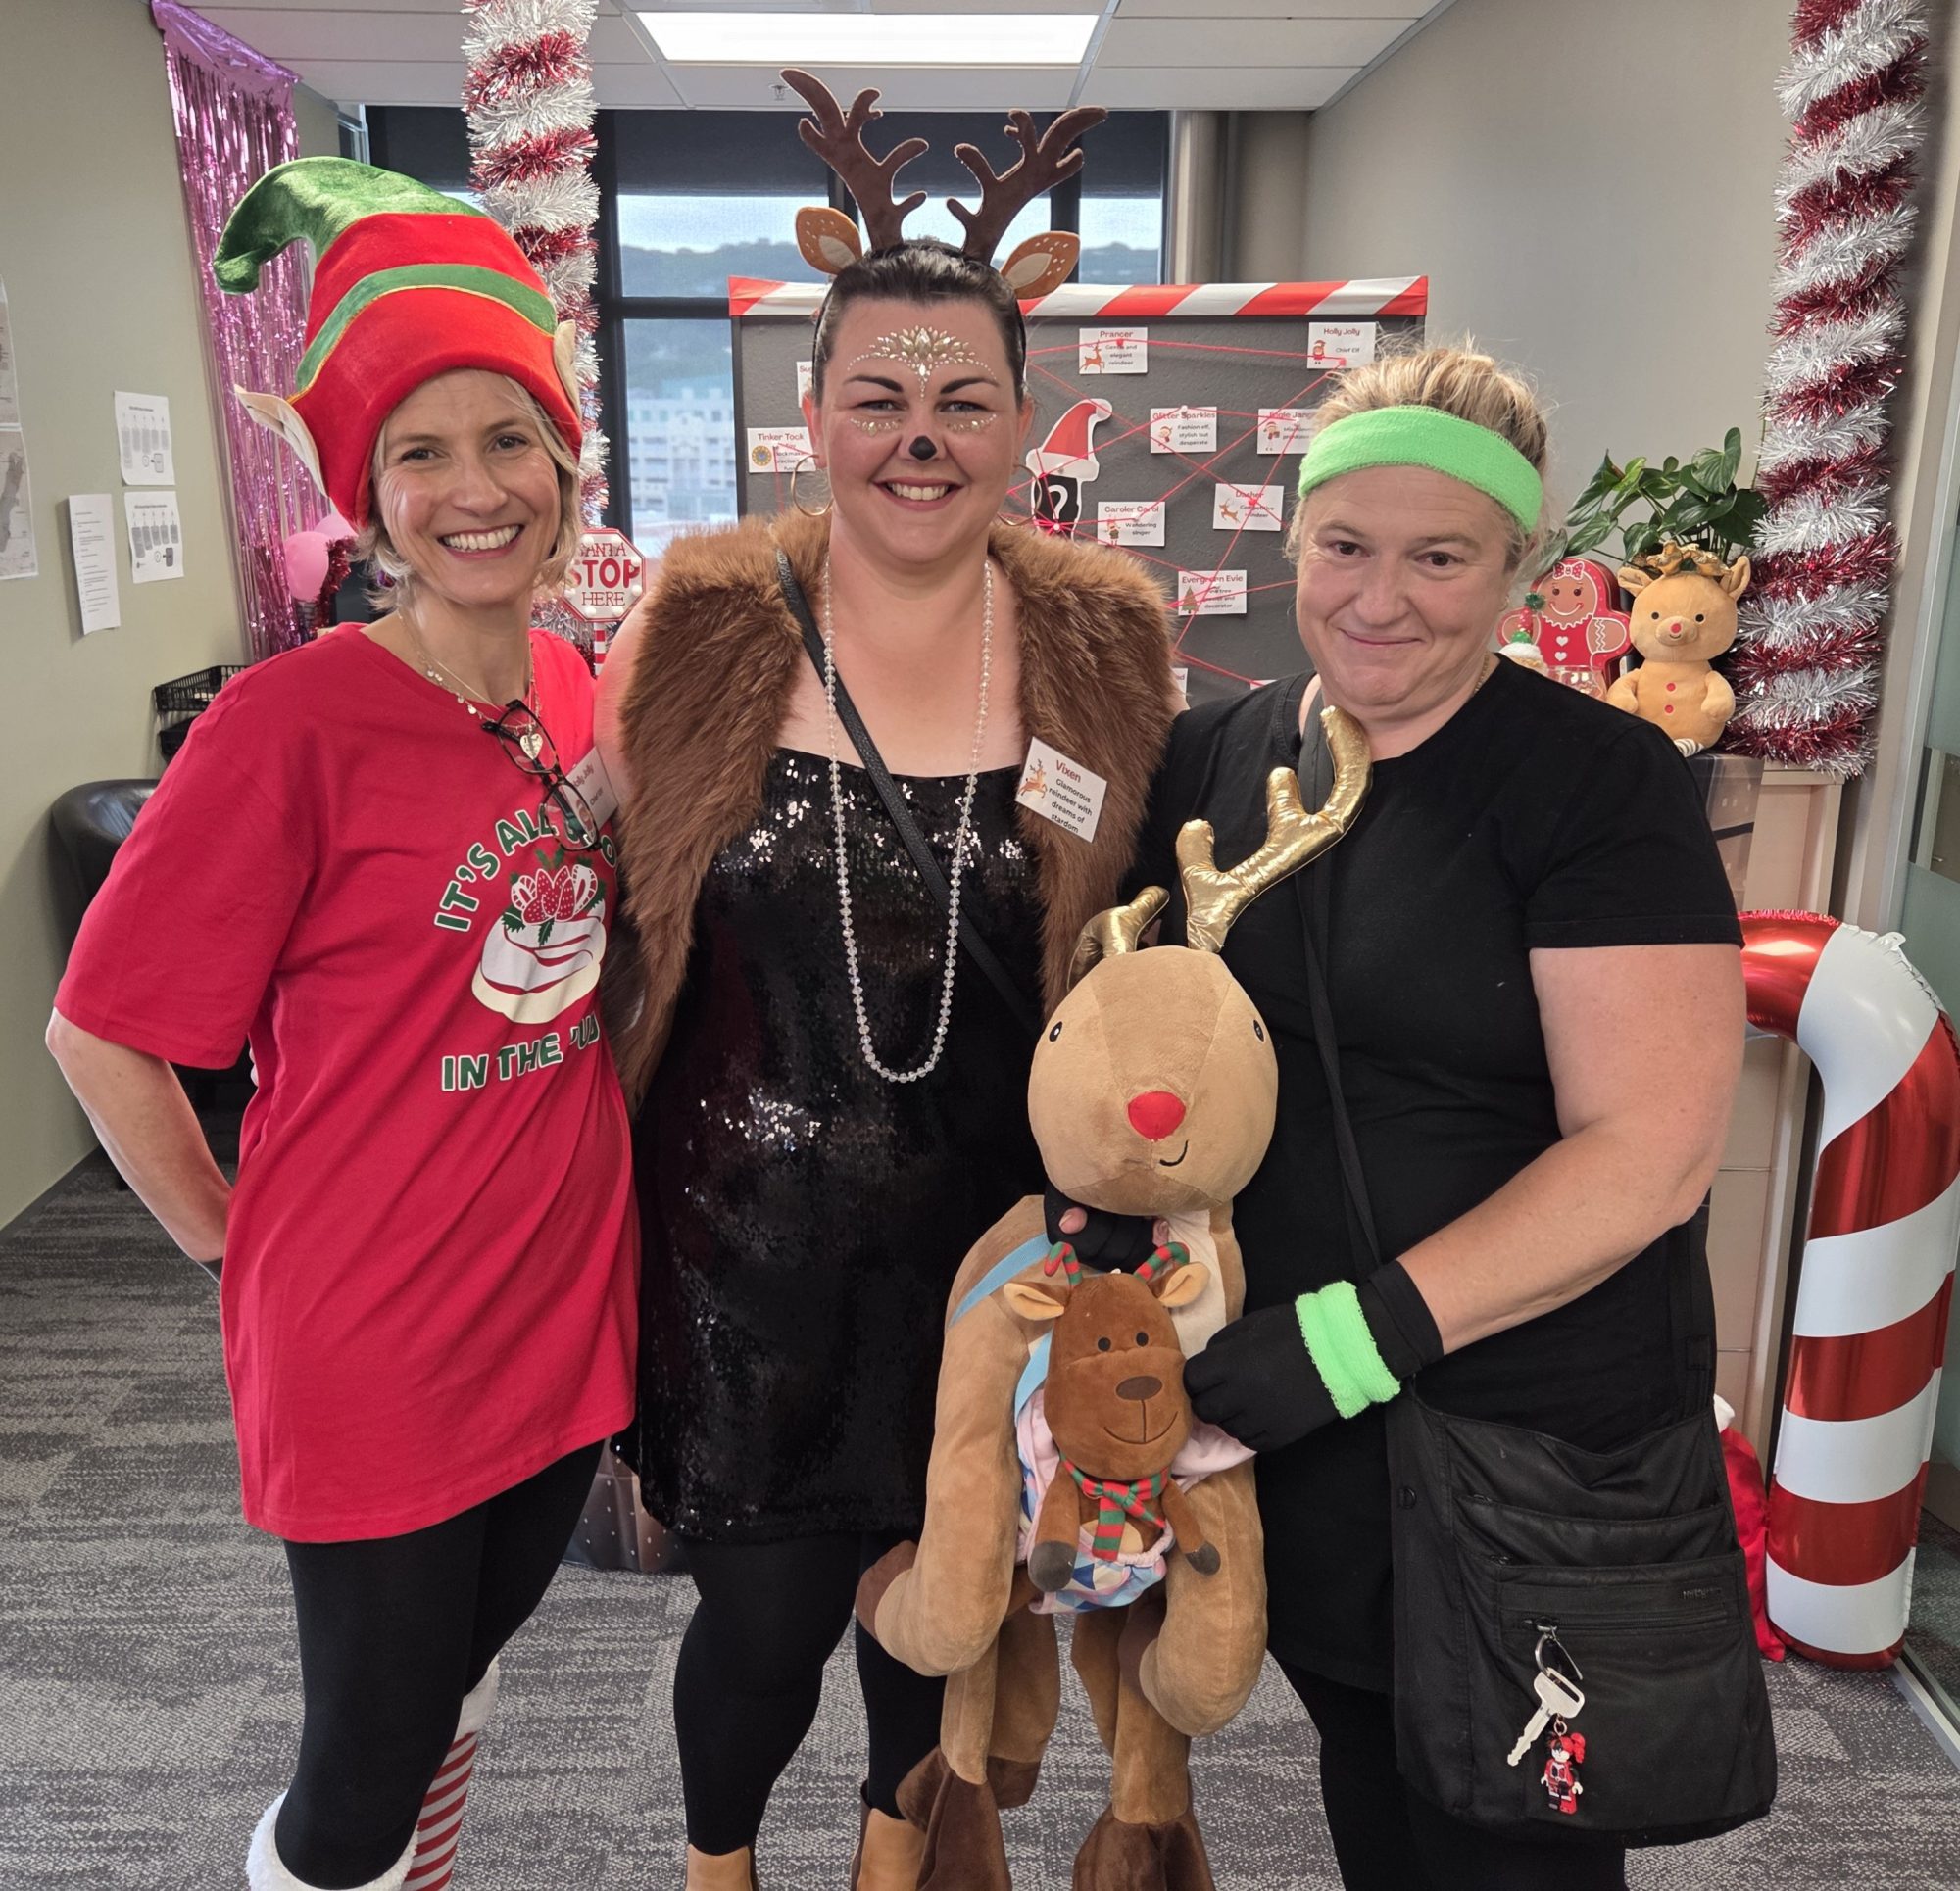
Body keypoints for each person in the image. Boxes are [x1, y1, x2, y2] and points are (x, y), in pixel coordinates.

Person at [595, 74, 1177, 1891]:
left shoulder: (1104, 647)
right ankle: (719, 1867)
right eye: (878, 399)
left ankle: (893, 1861)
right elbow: (577, 890)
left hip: (989, 1245)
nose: (918, 438)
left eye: (961, 401)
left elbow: (1134, 942)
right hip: (737, 1248)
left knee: (946, 1600)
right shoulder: (696, 628)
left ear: (1019, 419)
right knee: (766, 1622)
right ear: (813, 417)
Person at [46, 158, 636, 1891]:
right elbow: (98, 1031)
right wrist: (234, 1245)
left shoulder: (575, 685)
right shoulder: (287, 727)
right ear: (368, 501)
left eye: (509, 439)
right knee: (358, 1776)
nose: (476, 488)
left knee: (454, 1684)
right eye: (420, 454)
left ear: (565, 467)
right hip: (376, 1335)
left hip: (558, 1300)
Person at [1136, 346, 1745, 1891]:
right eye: (1347, 545)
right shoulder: (1220, 754)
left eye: (1441, 558)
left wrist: (1347, 1341)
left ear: (1518, 567)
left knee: (1514, 1846)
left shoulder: (1599, 784)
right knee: (1377, 1783)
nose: (1381, 599)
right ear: (1296, 541)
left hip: (1524, 1451)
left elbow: (1653, 1152)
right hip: (1307, 1436)